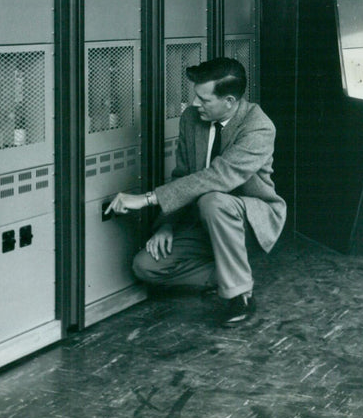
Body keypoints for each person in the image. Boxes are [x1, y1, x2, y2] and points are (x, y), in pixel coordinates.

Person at [106, 57, 286, 326]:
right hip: (201, 222)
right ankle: (231, 274)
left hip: (249, 220)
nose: (195, 104)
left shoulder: (258, 127)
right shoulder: (191, 119)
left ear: (229, 102)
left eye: (204, 99)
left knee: (213, 201)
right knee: (146, 266)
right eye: (196, 97)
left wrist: (145, 200)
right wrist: (166, 225)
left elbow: (217, 178)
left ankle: (240, 297)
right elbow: (183, 175)